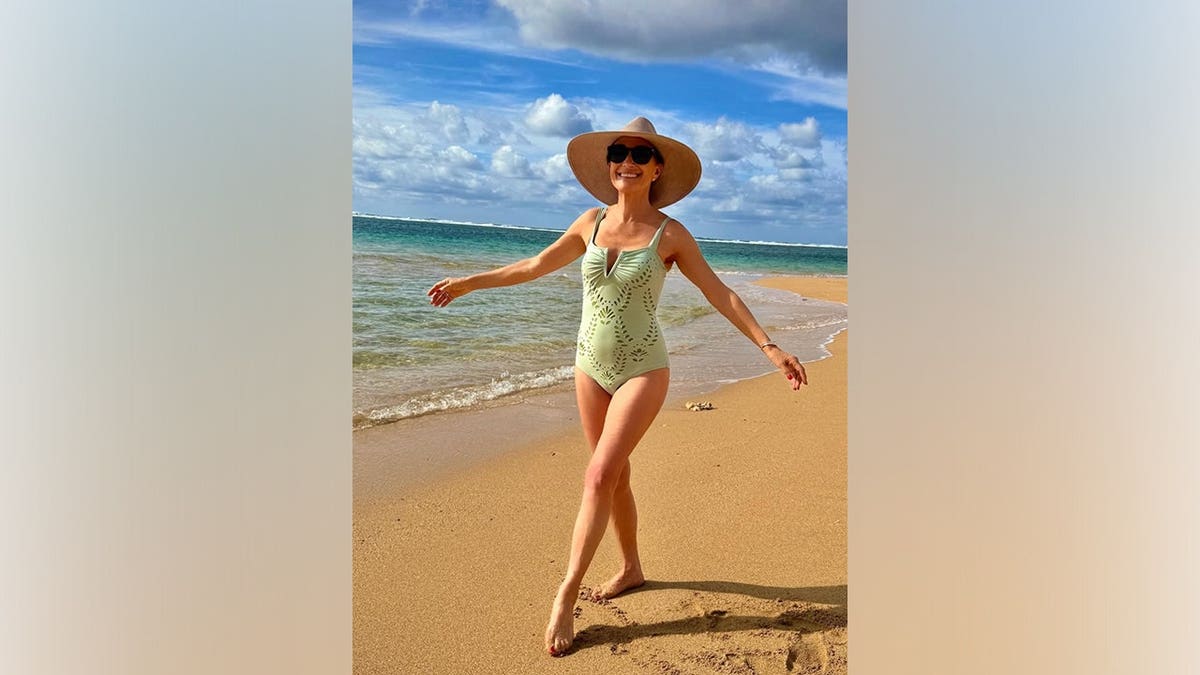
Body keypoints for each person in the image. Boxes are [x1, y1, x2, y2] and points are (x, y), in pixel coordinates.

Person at [427, 117, 808, 656]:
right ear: (609, 165)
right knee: (616, 477)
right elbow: (535, 265)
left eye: (639, 154)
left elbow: (719, 293)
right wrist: (469, 283)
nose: (627, 161)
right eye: (618, 152)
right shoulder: (590, 221)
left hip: (643, 369)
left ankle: (566, 592)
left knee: (599, 474)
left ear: (657, 169)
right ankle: (630, 567)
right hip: (589, 367)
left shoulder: (670, 235)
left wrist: (770, 347)